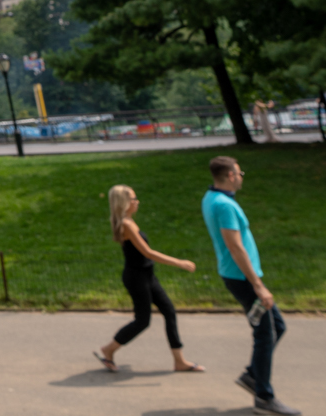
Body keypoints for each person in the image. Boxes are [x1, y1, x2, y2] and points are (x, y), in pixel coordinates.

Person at [203, 156, 299, 415]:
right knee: (265, 334)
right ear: (231, 176)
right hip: (243, 278)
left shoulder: (211, 198)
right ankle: (264, 398)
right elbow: (235, 246)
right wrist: (258, 285)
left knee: (277, 326)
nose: (242, 176)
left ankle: (252, 376)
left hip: (239, 276)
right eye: (240, 172)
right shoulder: (224, 205)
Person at [94, 184, 201, 374]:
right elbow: (148, 253)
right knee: (143, 320)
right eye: (134, 199)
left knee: (169, 311)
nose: (137, 202)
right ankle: (109, 349)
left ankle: (179, 361)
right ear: (125, 203)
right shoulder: (126, 225)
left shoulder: (129, 221)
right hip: (136, 278)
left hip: (147, 275)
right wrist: (179, 263)